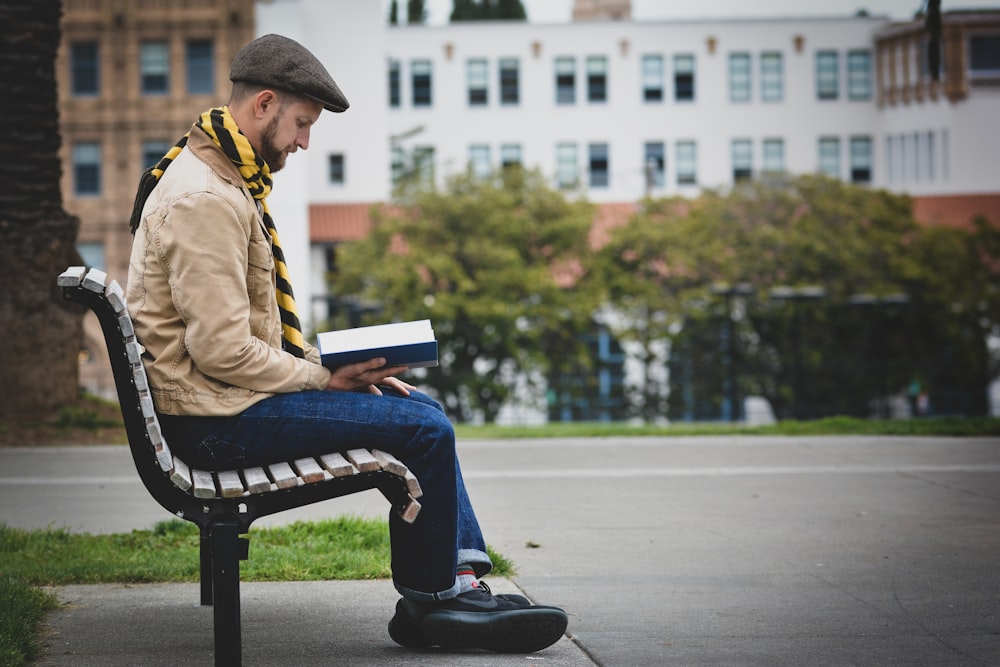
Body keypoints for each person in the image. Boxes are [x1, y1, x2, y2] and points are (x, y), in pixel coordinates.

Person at [126, 33, 568, 653]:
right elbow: (222, 354)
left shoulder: (222, 179)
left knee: (422, 409)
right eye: (302, 124)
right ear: (264, 104)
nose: (305, 141)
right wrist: (322, 377)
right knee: (424, 431)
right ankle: (438, 602)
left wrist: (336, 365)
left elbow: (237, 341)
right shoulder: (205, 198)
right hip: (211, 425)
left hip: (220, 404)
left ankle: (454, 582)